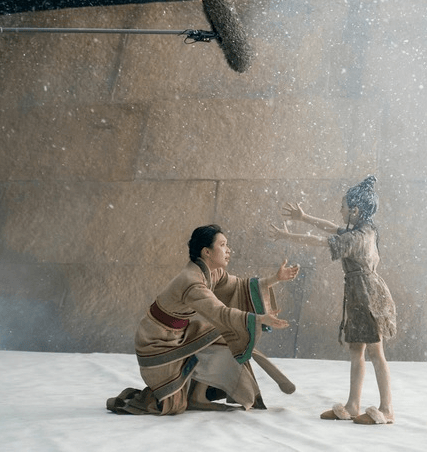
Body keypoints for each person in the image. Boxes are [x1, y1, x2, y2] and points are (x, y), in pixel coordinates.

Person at [107, 224, 299, 415]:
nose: (228, 250)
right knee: (173, 405)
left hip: (180, 334)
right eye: (223, 245)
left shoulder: (213, 272)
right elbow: (220, 313)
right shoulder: (192, 281)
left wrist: (275, 278)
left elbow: (238, 287)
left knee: (227, 336)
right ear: (207, 252)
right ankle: (177, 396)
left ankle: (199, 397)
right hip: (156, 341)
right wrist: (258, 318)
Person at [269, 175, 396, 425]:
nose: (340, 211)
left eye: (344, 207)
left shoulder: (357, 238)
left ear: (356, 211)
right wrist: (304, 218)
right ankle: (352, 404)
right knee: (357, 349)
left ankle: (387, 408)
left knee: (375, 351)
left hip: (368, 296)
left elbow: (322, 241)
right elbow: (330, 228)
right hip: (360, 294)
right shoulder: (364, 229)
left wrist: (288, 237)